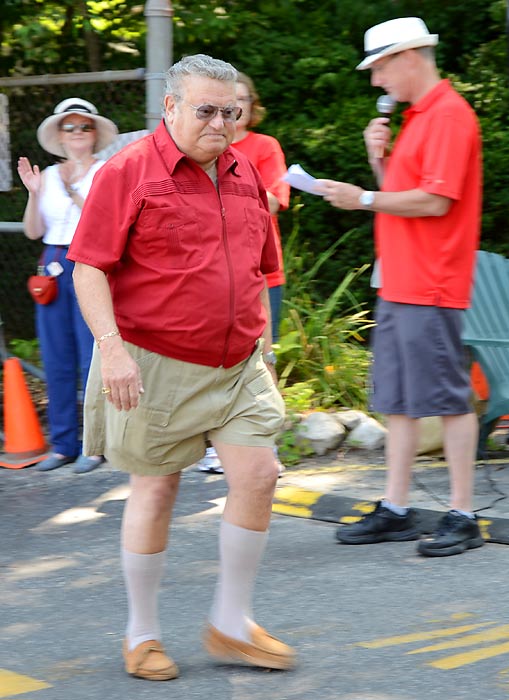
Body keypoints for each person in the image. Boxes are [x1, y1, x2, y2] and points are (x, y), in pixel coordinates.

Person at [67, 54, 295, 680]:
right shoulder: (128, 172)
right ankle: (141, 633)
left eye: (231, 111)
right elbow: (89, 267)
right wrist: (112, 349)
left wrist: (265, 345)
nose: (220, 123)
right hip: (154, 361)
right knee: (157, 487)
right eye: (206, 110)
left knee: (259, 472)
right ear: (169, 109)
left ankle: (230, 623)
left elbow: (259, 269)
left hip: (239, 361)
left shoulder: (245, 169)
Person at [316, 17, 485, 557]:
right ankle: (396, 509)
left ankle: (463, 515)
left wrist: (362, 197)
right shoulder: (419, 118)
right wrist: (378, 161)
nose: (375, 81)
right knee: (398, 400)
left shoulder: (451, 116)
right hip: (402, 277)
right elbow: (407, 195)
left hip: (430, 280)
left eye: (381, 66)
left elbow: (436, 203)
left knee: (449, 400)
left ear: (410, 55)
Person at [196, 70, 290, 475]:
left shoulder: (264, 146)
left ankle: (265, 445)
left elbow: (272, 201)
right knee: (214, 358)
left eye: (239, 104)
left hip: (259, 271)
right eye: (221, 105)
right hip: (213, 274)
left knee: (262, 357)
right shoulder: (203, 146)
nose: (230, 112)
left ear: (251, 108)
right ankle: (218, 445)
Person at [17, 98, 118, 474]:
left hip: (90, 261)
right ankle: (63, 445)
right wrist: (34, 192)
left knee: (92, 357)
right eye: (69, 127)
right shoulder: (45, 176)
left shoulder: (107, 171)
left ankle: (96, 445)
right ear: (59, 135)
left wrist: (73, 187)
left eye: (84, 127)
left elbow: (105, 222)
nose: (77, 133)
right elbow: (33, 231)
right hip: (52, 264)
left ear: (95, 134)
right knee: (56, 356)